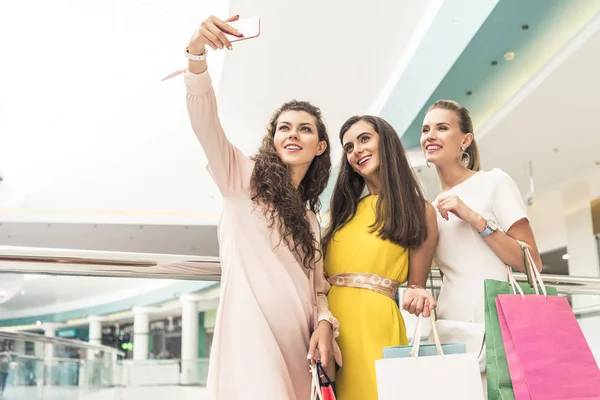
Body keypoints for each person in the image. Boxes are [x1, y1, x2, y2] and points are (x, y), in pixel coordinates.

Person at [176, 14, 341, 399]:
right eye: (284, 127)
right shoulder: (241, 178)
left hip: (300, 348)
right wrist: (196, 55)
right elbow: (205, 123)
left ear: (319, 147)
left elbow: (319, 291)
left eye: (304, 128)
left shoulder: (312, 220)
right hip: (250, 339)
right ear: (273, 139)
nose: (292, 134)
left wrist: (324, 325)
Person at [420, 99, 542, 392]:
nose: (430, 135)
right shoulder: (430, 208)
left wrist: (477, 220)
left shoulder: (493, 183)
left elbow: (532, 262)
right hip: (451, 328)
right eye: (426, 130)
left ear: (465, 140)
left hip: (499, 324)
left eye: (442, 128)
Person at [322, 115, 438, 400]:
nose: (356, 150)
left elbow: (416, 285)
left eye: (364, 139)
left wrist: (418, 293)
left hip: (375, 322)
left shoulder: (420, 210)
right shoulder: (344, 212)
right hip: (329, 324)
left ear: (385, 142)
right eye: (348, 147)